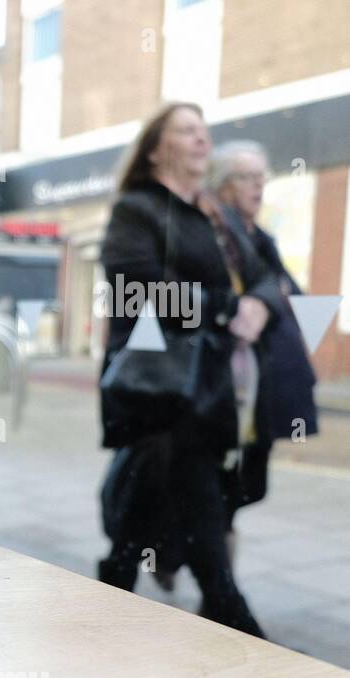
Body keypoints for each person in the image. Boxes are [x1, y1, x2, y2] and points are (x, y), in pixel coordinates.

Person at [96, 102, 283, 639]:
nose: (202, 140)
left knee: (154, 494)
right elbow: (139, 289)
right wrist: (227, 306)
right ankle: (231, 612)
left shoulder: (212, 214)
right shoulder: (139, 209)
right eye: (186, 131)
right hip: (158, 383)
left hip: (208, 385)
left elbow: (265, 274)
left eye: (204, 131)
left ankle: (117, 586)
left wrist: (261, 305)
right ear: (157, 149)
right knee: (192, 496)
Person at [209, 141, 319, 441]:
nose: (258, 185)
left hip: (265, 387)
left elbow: (294, 299)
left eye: (262, 177)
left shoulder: (262, 239)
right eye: (247, 177)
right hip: (236, 385)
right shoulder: (217, 234)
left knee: (252, 481)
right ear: (223, 185)